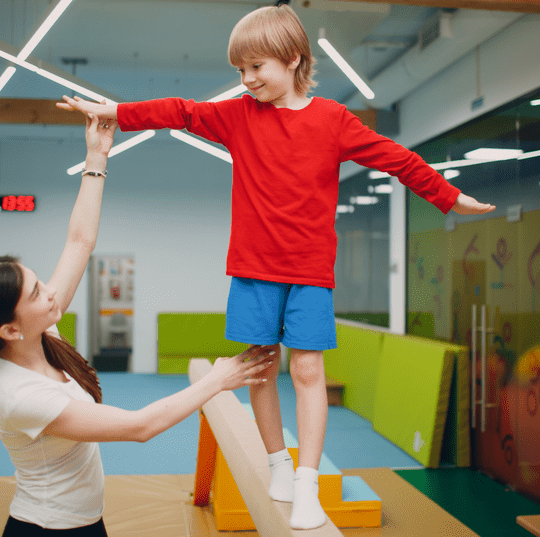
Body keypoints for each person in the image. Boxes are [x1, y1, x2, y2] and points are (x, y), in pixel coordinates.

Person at [56, 2, 495, 529]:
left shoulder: (333, 121)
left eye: (256, 67)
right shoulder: (239, 116)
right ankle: (277, 463)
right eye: (240, 71)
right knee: (259, 369)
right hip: (253, 268)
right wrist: (118, 113)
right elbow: (180, 111)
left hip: (310, 272)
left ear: (292, 59)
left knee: (308, 368)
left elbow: (396, 159)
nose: (246, 80)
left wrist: (449, 197)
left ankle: (306, 482)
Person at [0, 111, 275, 536]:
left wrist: (96, 157)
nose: (50, 292)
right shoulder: (18, 395)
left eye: (40, 282)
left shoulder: (40, 330)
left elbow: (79, 241)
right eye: (36, 294)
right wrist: (217, 379)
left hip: (83, 522)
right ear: (9, 329)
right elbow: (139, 428)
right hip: (49, 529)